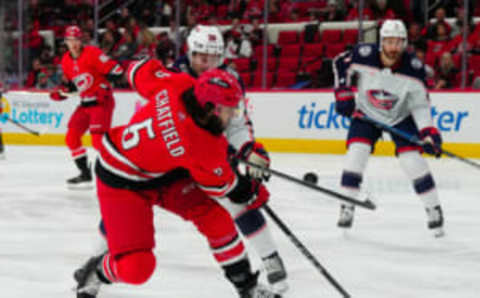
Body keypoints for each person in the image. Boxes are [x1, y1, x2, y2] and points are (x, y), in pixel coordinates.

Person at [73, 59, 281, 298]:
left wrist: (246, 149)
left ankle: (247, 287)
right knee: (137, 268)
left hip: (163, 172)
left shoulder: (181, 84)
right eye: (229, 109)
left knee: (216, 218)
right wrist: (251, 189)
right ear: (211, 108)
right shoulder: (201, 146)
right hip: (121, 181)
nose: (233, 114)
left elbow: (138, 71)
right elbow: (228, 188)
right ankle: (97, 271)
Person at [174, 25, 288, 292]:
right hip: (175, 156)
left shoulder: (229, 77)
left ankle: (270, 256)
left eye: (213, 58)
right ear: (190, 53)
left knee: (242, 200)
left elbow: (237, 123)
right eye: (201, 56)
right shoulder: (174, 76)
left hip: (211, 154)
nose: (207, 64)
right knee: (133, 197)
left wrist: (247, 149)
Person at [332, 20, 445, 237]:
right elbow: (339, 63)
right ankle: (347, 205)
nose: (394, 47)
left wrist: (428, 132)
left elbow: (420, 105)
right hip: (366, 113)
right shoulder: (364, 54)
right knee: (356, 154)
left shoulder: (414, 69)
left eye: (398, 42)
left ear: (405, 43)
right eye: (389, 42)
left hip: (400, 117)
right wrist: (343, 92)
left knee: (412, 161)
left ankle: (433, 208)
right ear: (381, 41)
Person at [49, 25, 124, 189]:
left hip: (101, 102)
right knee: (72, 137)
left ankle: (119, 171)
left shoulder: (93, 53)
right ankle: (85, 173)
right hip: (85, 104)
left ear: (81, 40)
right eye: (70, 40)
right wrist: (62, 93)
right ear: (66, 42)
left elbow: (116, 70)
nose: (74, 43)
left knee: (98, 141)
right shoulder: (66, 60)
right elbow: (74, 86)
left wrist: (106, 85)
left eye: (76, 40)